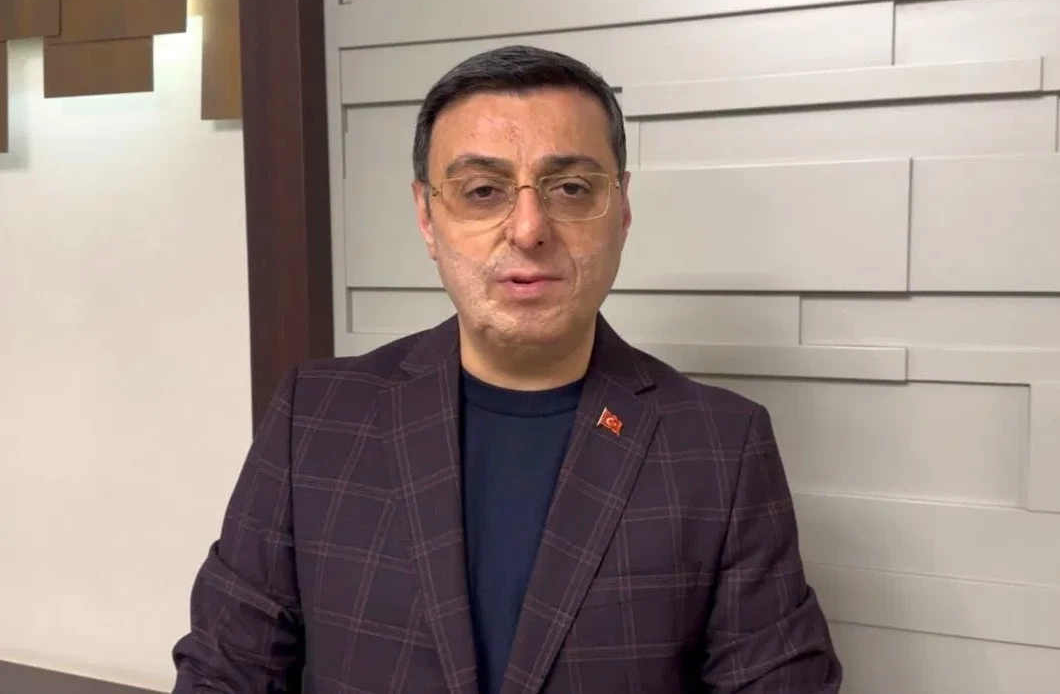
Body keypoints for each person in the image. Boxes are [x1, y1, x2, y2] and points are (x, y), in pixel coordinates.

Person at [171, 44, 841, 694]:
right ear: (427, 217)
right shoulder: (316, 416)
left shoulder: (720, 446)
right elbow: (225, 669)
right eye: (483, 190)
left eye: (571, 187)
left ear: (622, 209)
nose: (528, 228)